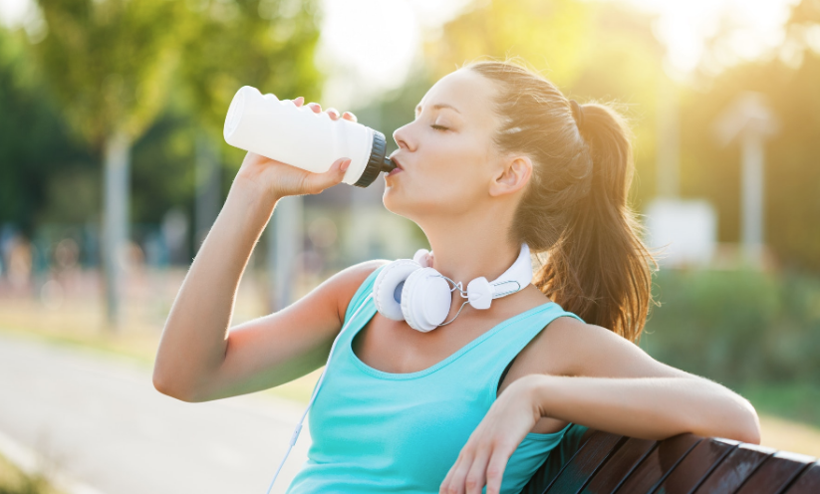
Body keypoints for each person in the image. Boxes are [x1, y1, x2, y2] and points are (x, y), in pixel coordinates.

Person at [152, 59, 761, 494]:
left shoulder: (553, 345)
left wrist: (537, 395)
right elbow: (185, 375)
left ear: (506, 176)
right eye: (416, 117)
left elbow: (735, 417)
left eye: (439, 125)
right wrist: (255, 189)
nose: (403, 136)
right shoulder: (364, 295)